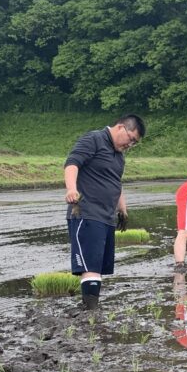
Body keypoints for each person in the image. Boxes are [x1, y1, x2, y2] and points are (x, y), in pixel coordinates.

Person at [64, 114, 146, 310]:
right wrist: (71, 189)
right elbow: (72, 163)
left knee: (98, 266)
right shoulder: (93, 139)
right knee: (90, 266)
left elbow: (115, 183)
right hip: (87, 212)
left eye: (135, 144)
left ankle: (92, 307)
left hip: (106, 217)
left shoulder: (119, 157)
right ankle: (90, 311)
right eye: (131, 139)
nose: (130, 145)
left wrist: (123, 210)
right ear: (120, 128)